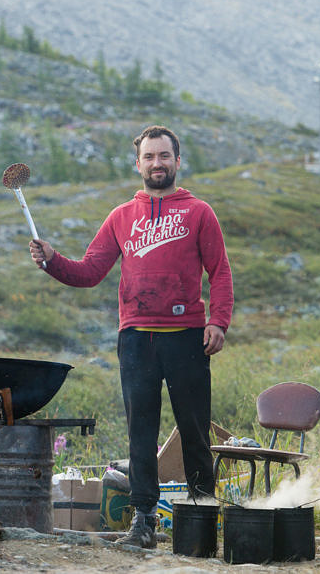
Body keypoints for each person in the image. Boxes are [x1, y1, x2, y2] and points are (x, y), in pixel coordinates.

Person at [29, 125, 233, 548]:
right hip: (137, 338)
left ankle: (201, 515)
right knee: (141, 431)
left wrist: (219, 321)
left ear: (178, 161)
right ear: (137, 164)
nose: (157, 163)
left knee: (193, 429)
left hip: (187, 337)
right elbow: (88, 272)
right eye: (149, 157)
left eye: (164, 156)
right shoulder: (122, 216)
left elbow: (220, 271)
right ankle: (144, 522)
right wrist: (51, 261)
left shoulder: (199, 212)